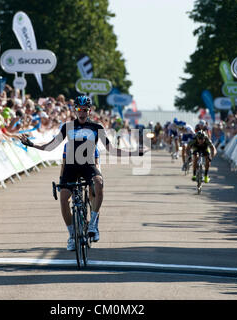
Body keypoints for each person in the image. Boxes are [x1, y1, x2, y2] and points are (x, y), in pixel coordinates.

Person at [19, 95, 145, 251]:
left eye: (85, 110)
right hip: (71, 166)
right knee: (64, 198)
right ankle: (72, 236)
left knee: (98, 184)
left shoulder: (97, 127)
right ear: (75, 110)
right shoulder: (67, 127)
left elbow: (112, 150)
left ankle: (93, 224)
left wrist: (133, 153)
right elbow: (51, 146)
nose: (82, 113)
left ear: (89, 111)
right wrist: (31, 145)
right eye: (79, 109)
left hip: (88, 165)